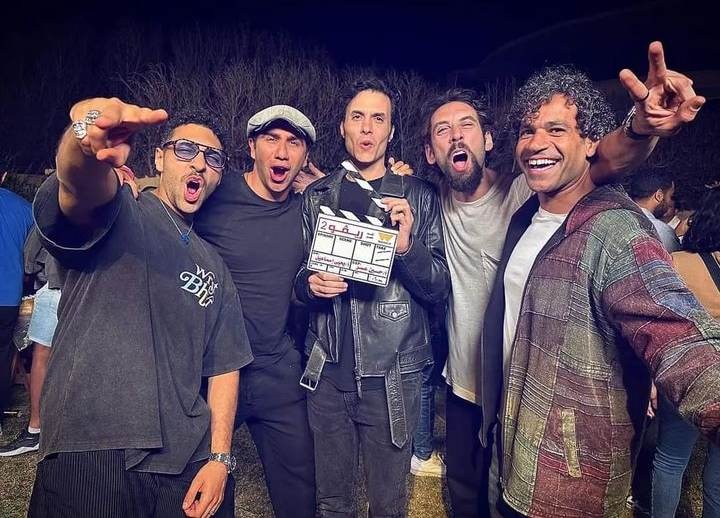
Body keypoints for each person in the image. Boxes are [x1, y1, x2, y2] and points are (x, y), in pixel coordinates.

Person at [420, 41, 690, 517]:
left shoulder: (526, 194)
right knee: (467, 498)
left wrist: (639, 128)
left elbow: (599, 161)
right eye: (443, 130)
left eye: (467, 125)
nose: (456, 136)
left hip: (528, 394)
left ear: (488, 140)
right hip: (463, 384)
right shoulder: (428, 203)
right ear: (430, 152)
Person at [479, 58, 717, 518]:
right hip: (512, 453)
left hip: (571, 483)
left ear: (590, 141)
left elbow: (679, 335)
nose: (536, 143)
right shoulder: (528, 215)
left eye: (556, 129)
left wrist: (639, 128)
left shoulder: (614, 230)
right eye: (527, 131)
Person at [28, 98, 253, 518]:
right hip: (92, 447)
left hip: (185, 462)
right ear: (159, 159)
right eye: (186, 149)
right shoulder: (121, 209)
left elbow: (225, 366)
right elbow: (78, 187)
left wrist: (220, 459)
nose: (199, 163)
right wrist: (85, 143)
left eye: (213, 158)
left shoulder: (215, 266)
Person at [294, 77, 450, 516]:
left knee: (387, 503)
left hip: (391, 377)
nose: (366, 128)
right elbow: (297, 279)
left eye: (378, 119)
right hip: (326, 374)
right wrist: (309, 285)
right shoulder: (316, 196)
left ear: (391, 131)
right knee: (332, 502)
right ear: (342, 127)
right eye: (357, 117)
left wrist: (407, 247)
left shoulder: (419, 195)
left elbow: (438, 287)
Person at [194, 105, 318, 518]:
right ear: (252, 147)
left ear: (304, 157)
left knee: (301, 496)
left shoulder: (307, 210)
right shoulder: (217, 192)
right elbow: (170, 198)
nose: (282, 152)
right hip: (211, 372)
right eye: (271, 139)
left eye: (293, 143)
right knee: (204, 492)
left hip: (276, 371)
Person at [652, 186, 720, 518]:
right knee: (718, 474)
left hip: (686, 372)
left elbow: (657, 323)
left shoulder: (676, 263)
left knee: (671, 458)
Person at [0, 228, 62, 457]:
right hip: (91, 290)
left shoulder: (50, 213)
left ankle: (35, 430)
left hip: (55, 287)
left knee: (41, 356)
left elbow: (30, 257)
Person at [0, 174, 33, 420]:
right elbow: (33, 256)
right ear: (3, 176)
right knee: (3, 356)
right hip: (8, 297)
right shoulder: (25, 209)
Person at [628, 169, 681, 251]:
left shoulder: (613, 218)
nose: (671, 203)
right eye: (671, 196)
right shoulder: (662, 232)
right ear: (659, 196)